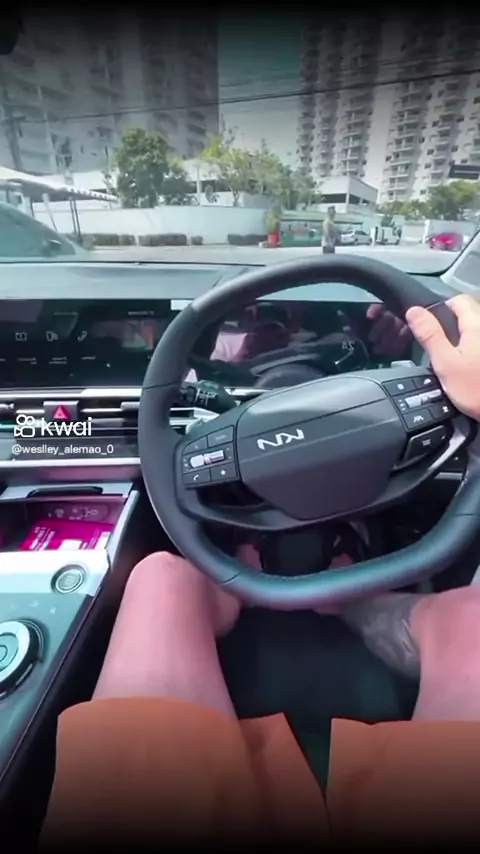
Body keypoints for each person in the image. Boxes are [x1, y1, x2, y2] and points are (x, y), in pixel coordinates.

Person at [42, 294, 480, 847]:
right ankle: (346, 596)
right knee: (472, 619)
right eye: (255, 321)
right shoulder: (225, 355)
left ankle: (234, 583)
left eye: (287, 319)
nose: (270, 326)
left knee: (160, 577)